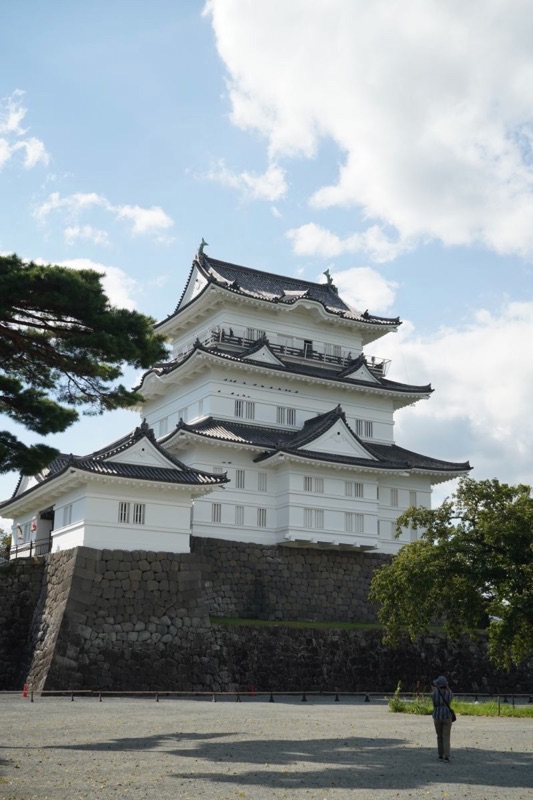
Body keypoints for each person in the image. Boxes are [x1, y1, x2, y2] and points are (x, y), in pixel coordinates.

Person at [432, 675, 454, 762]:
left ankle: (440, 754)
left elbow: (434, 705)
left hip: (437, 715)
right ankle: (446, 756)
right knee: (446, 736)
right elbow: (452, 696)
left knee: (439, 736)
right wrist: (447, 687)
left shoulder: (434, 694)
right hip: (447, 716)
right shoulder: (449, 694)